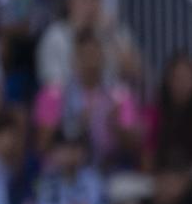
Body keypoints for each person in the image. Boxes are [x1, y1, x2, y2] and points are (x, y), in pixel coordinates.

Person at [32, 28, 141, 170]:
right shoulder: (53, 95)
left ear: (103, 57)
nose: (90, 60)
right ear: (73, 59)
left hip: (108, 169)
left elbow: (134, 146)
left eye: (94, 53)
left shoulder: (120, 96)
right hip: (62, 170)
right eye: (84, 54)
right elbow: (42, 145)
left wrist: (113, 124)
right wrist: (73, 119)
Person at [36, 0, 140, 88]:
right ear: (69, 0)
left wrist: (111, 35)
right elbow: (52, 85)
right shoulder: (54, 36)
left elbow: (135, 74)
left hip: (113, 103)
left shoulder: (113, 30)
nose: (90, 3)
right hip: (70, 104)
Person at [142, 51, 192, 180]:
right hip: (158, 183)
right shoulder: (152, 114)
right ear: (167, 80)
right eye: (177, 78)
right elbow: (146, 162)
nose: (182, 84)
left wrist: (188, 180)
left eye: (187, 78)